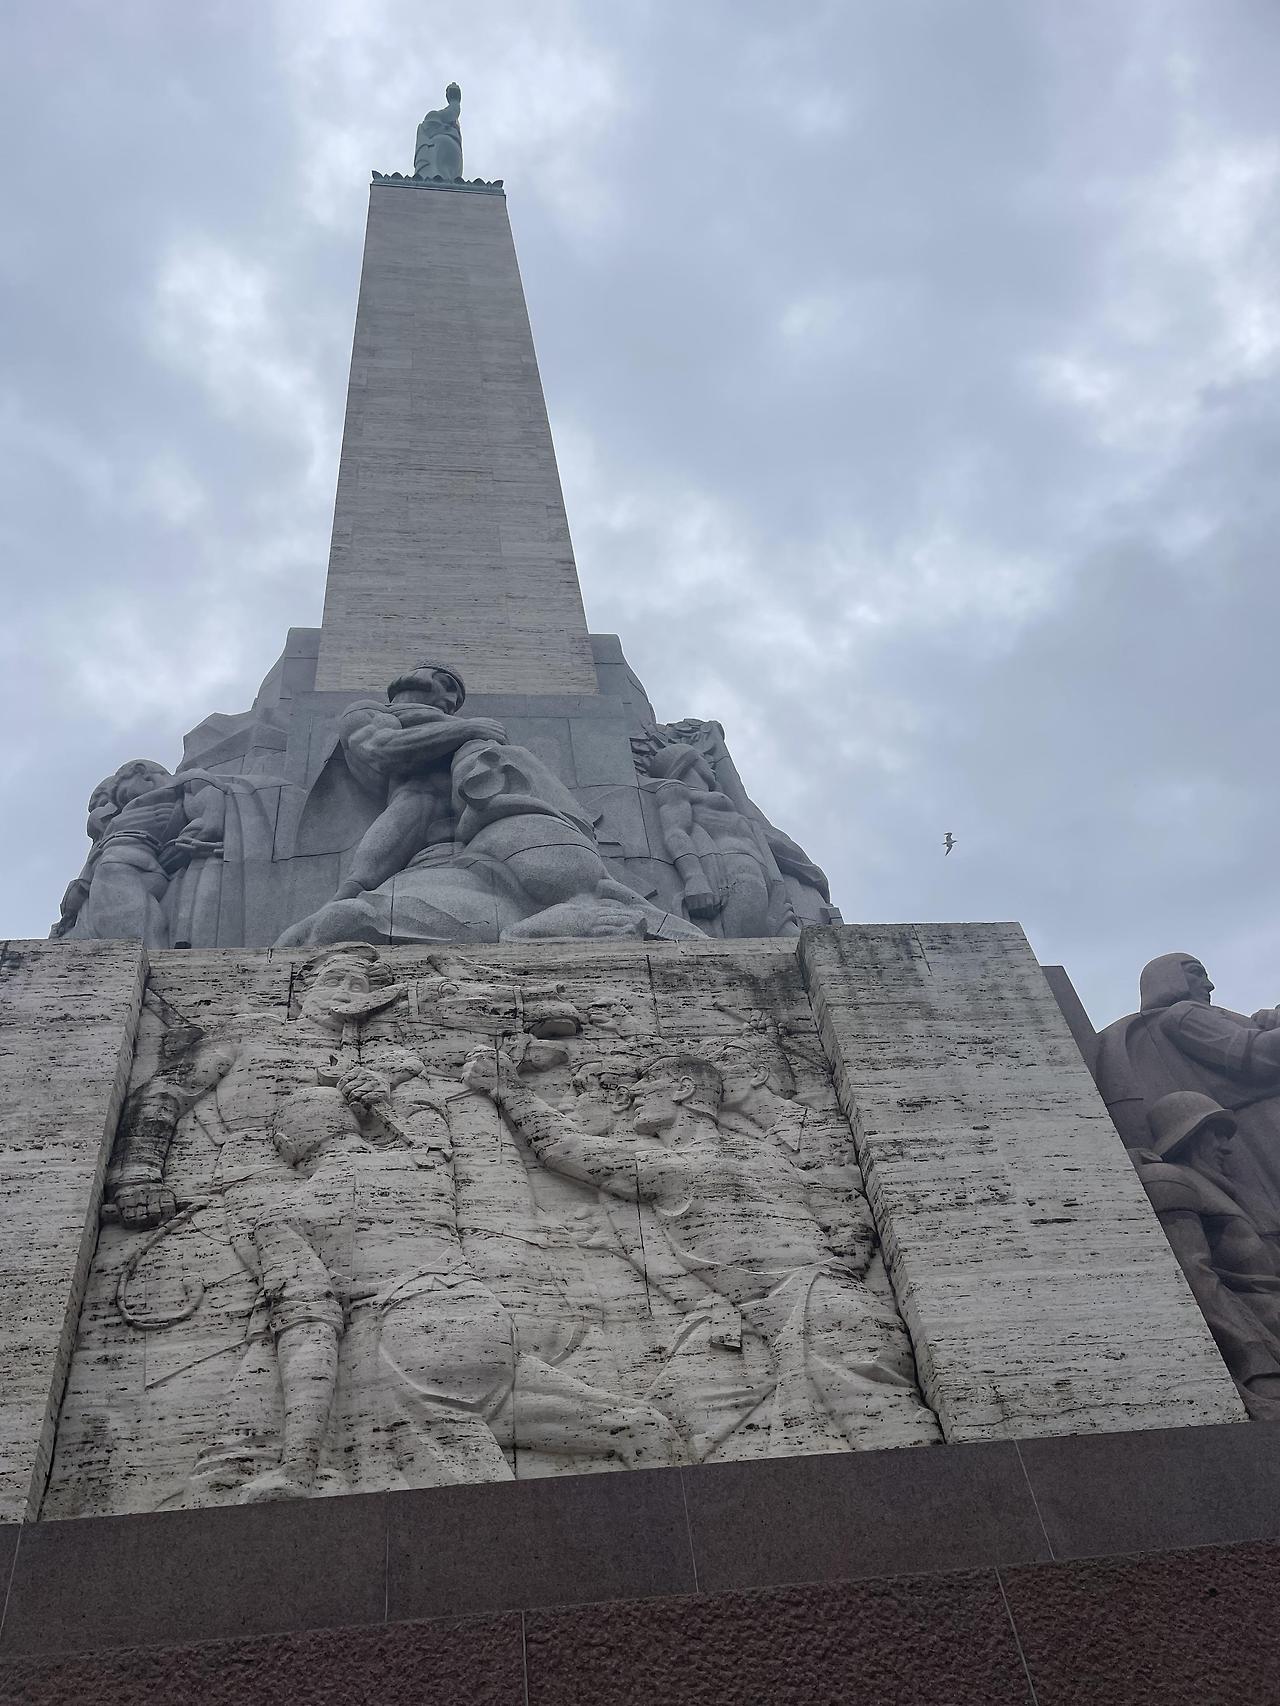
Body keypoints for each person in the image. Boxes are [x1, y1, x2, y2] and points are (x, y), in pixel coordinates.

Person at [113, 945, 678, 1500]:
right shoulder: (254, 1034)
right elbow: (166, 1090)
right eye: (337, 977)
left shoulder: (390, 1050)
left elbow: (484, 1072)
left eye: (361, 982)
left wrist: (393, 1084)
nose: (349, 990)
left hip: (377, 1213)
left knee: (318, 1329)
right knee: (283, 1325)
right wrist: (137, 1174)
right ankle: (251, 1452)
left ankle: (294, 1462)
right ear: (304, 985)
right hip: (257, 1181)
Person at [463, 1044, 938, 1454]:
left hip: (823, 1322)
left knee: (893, 1446)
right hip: (778, 1318)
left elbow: (565, 1148)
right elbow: (850, 1221)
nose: (633, 1096)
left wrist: (509, 1087)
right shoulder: (767, 1155)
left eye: (646, 1087)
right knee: (673, 1418)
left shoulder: (682, 1168)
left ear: (683, 1091)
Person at [1095, 954, 1280, 1238]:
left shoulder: (1209, 1013)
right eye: (1196, 973)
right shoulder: (1183, 1014)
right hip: (1259, 1123)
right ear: (1169, 978)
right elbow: (1255, 1055)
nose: (1209, 985)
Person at [1136, 1091, 1280, 1419]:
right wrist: (1257, 1365)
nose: (1226, 1147)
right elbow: (1195, 1278)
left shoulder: (1235, 1193)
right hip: (1261, 1333)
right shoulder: (1170, 1180)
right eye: (1214, 1133)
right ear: (1187, 1136)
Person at [415, 83, 463, 179]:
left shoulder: (452, 126)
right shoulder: (432, 115)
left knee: (447, 178)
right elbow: (451, 113)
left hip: (449, 152)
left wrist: (455, 102)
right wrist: (455, 101)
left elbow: (452, 113)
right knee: (438, 176)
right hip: (437, 151)